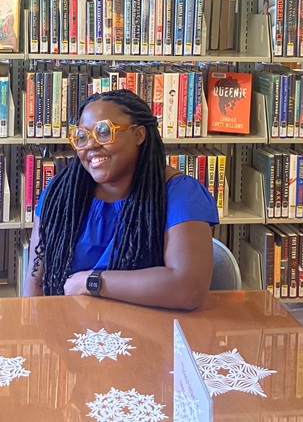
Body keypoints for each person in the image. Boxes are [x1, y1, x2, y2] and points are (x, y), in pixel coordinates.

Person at [24, 89, 219, 310]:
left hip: (149, 333)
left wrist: (92, 281)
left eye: (104, 132)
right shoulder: (61, 195)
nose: (90, 145)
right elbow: (34, 286)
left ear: (139, 135)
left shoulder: (180, 195)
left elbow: (187, 289)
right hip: (69, 330)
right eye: (82, 136)